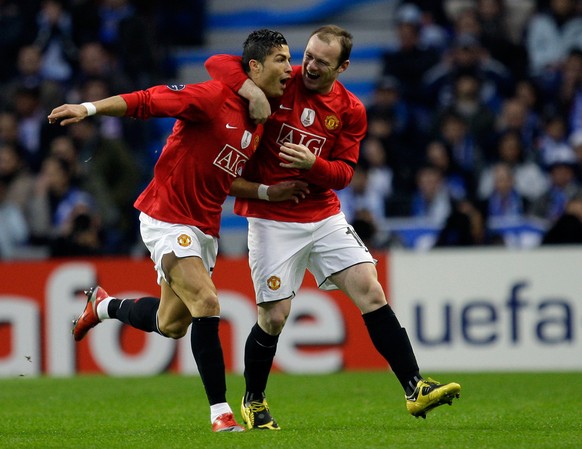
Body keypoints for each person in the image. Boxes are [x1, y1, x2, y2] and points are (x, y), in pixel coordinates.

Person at [47, 29, 308, 433]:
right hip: (166, 217)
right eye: (281, 59)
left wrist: (265, 191)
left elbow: (224, 176)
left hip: (205, 228)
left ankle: (102, 306)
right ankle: (221, 415)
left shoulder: (259, 119)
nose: (289, 68)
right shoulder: (211, 97)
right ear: (254, 67)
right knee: (207, 301)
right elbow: (149, 100)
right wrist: (89, 108)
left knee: (172, 324)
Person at [205, 24, 461, 430]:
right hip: (271, 219)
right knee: (274, 318)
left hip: (322, 214)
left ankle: (415, 387)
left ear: (342, 67)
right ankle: (254, 399)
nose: (307, 67)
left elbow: (343, 173)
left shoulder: (351, 110)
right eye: (306, 56)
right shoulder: (280, 82)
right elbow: (216, 62)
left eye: (321, 62)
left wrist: (314, 166)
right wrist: (252, 92)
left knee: (371, 290)